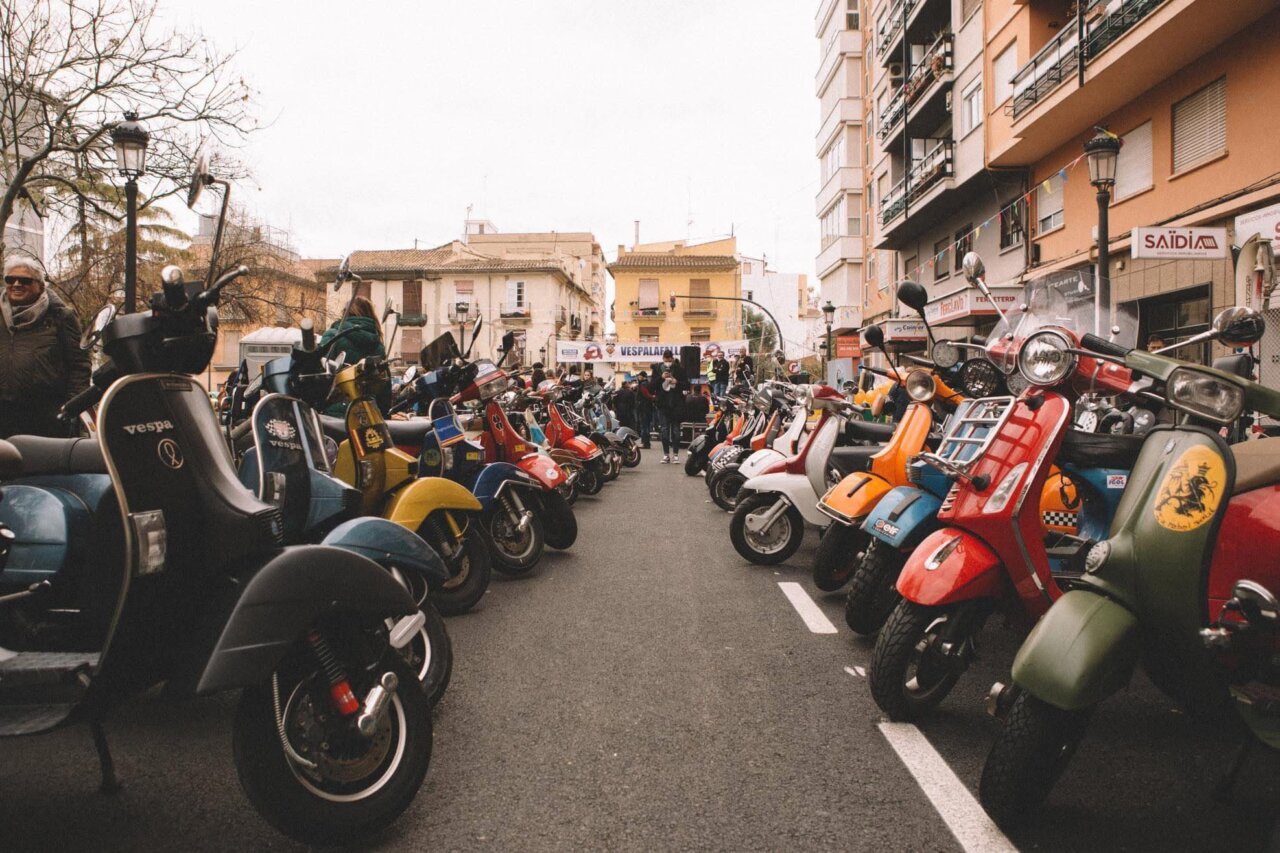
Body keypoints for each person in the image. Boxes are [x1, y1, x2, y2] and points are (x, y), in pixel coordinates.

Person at [0, 254, 90, 438]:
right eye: (10, 279)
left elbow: (79, 365)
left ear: (40, 286)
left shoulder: (61, 316)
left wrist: (70, 409)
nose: (16, 284)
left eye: (24, 280)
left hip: (45, 417)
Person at [319, 296, 386, 415]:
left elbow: (321, 372)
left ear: (345, 313)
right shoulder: (378, 344)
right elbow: (383, 383)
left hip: (335, 411)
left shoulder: (333, 336)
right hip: (369, 410)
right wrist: (385, 413)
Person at [654, 366, 686, 463]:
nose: (668, 374)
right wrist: (661, 378)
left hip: (675, 409)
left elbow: (686, 386)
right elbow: (652, 386)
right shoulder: (661, 381)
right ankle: (666, 455)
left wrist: (677, 382)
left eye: (670, 372)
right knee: (664, 431)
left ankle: (675, 455)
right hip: (664, 409)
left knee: (676, 432)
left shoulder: (677, 382)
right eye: (666, 372)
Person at [635, 370, 655, 448]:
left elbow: (645, 394)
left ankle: (645, 442)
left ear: (643, 377)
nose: (638, 378)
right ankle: (647, 442)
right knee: (647, 425)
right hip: (649, 407)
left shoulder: (643, 385)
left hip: (643, 407)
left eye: (639, 376)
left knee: (644, 426)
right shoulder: (649, 384)